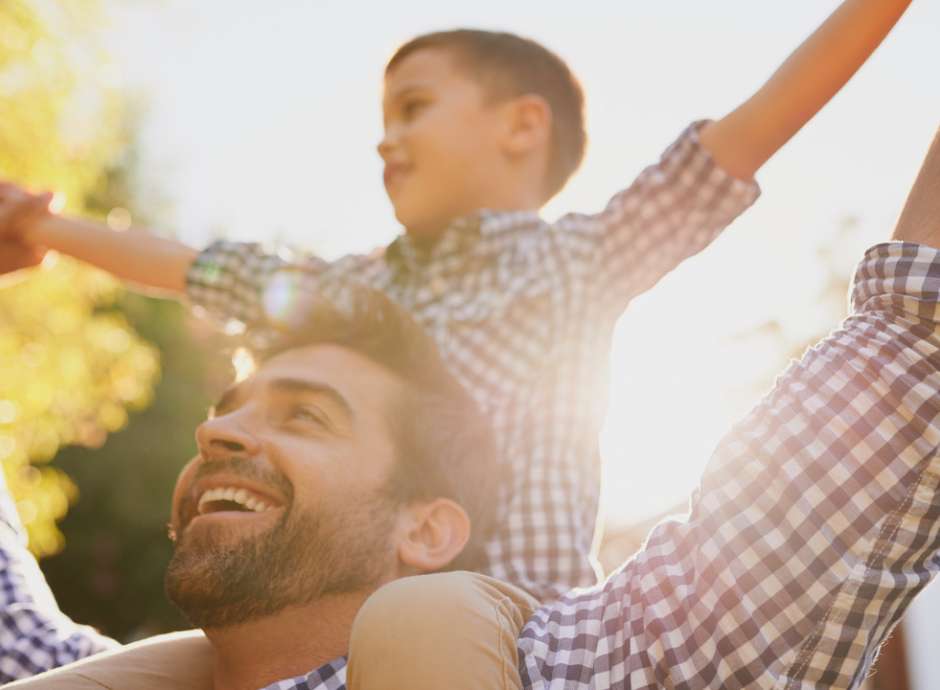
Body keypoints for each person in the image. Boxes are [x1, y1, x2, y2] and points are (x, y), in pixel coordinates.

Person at [0, 1, 912, 612]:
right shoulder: (356, 291)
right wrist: (44, 231)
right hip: (348, 629)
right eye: (384, 116)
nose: (384, 138)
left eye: (414, 108)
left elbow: (751, 131)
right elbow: (199, 269)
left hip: (512, 625)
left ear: (521, 126)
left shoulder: (576, 264)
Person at [2, 125, 939, 690]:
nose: (219, 430)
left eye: (306, 416)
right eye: (230, 411)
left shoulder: (568, 667)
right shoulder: (81, 672)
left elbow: (902, 352)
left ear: (428, 526)